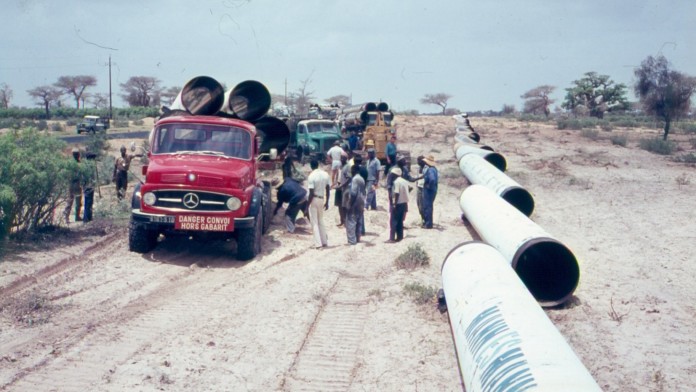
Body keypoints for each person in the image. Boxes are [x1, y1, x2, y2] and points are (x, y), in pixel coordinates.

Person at [307, 159, 331, 248]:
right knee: (321, 220)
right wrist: (327, 201)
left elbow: (311, 193)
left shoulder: (311, 176)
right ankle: (324, 242)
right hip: (322, 199)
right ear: (317, 165)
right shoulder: (325, 174)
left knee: (315, 222)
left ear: (311, 166)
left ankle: (318, 244)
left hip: (314, 199)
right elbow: (328, 189)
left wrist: (306, 206)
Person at [345, 164, 366, 245]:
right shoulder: (362, 179)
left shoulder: (355, 179)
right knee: (359, 220)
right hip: (361, 201)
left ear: (354, 170)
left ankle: (351, 241)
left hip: (355, 202)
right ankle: (358, 238)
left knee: (351, 221)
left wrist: (349, 203)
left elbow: (353, 193)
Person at [388, 167, 409, 243]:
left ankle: (392, 238)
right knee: (400, 221)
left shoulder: (396, 182)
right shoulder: (404, 181)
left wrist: (394, 203)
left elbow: (396, 193)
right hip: (404, 203)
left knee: (393, 221)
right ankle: (400, 237)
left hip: (398, 203)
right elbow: (409, 189)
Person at [63, 148, 83, 223]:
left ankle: (76, 216)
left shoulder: (75, 163)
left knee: (76, 201)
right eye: (77, 154)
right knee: (71, 201)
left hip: (75, 183)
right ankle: (67, 217)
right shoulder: (75, 164)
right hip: (74, 183)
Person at [421, 155, 439, 229]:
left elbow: (432, 179)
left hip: (429, 190)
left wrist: (429, 186)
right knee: (429, 206)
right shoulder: (434, 169)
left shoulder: (430, 170)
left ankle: (428, 224)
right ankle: (429, 223)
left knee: (427, 207)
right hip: (433, 189)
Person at [82, 151, 98, 223]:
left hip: (89, 186)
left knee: (89, 202)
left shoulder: (88, 166)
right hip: (88, 187)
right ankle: (86, 219)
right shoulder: (88, 167)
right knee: (88, 203)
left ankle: (89, 217)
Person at [335, 155, 350, 227]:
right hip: (338, 187)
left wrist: (342, 185)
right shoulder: (340, 166)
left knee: (344, 205)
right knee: (339, 205)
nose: (341, 159)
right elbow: (337, 175)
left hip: (344, 188)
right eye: (341, 158)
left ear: (346, 159)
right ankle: (342, 221)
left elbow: (348, 178)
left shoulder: (347, 167)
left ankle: (346, 221)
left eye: (343, 158)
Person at [415, 155, 426, 226]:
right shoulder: (419, 168)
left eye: (418, 161)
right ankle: (422, 219)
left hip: (423, 188)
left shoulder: (426, 168)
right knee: (418, 203)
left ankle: (425, 220)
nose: (417, 162)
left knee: (422, 205)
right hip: (419, 187)